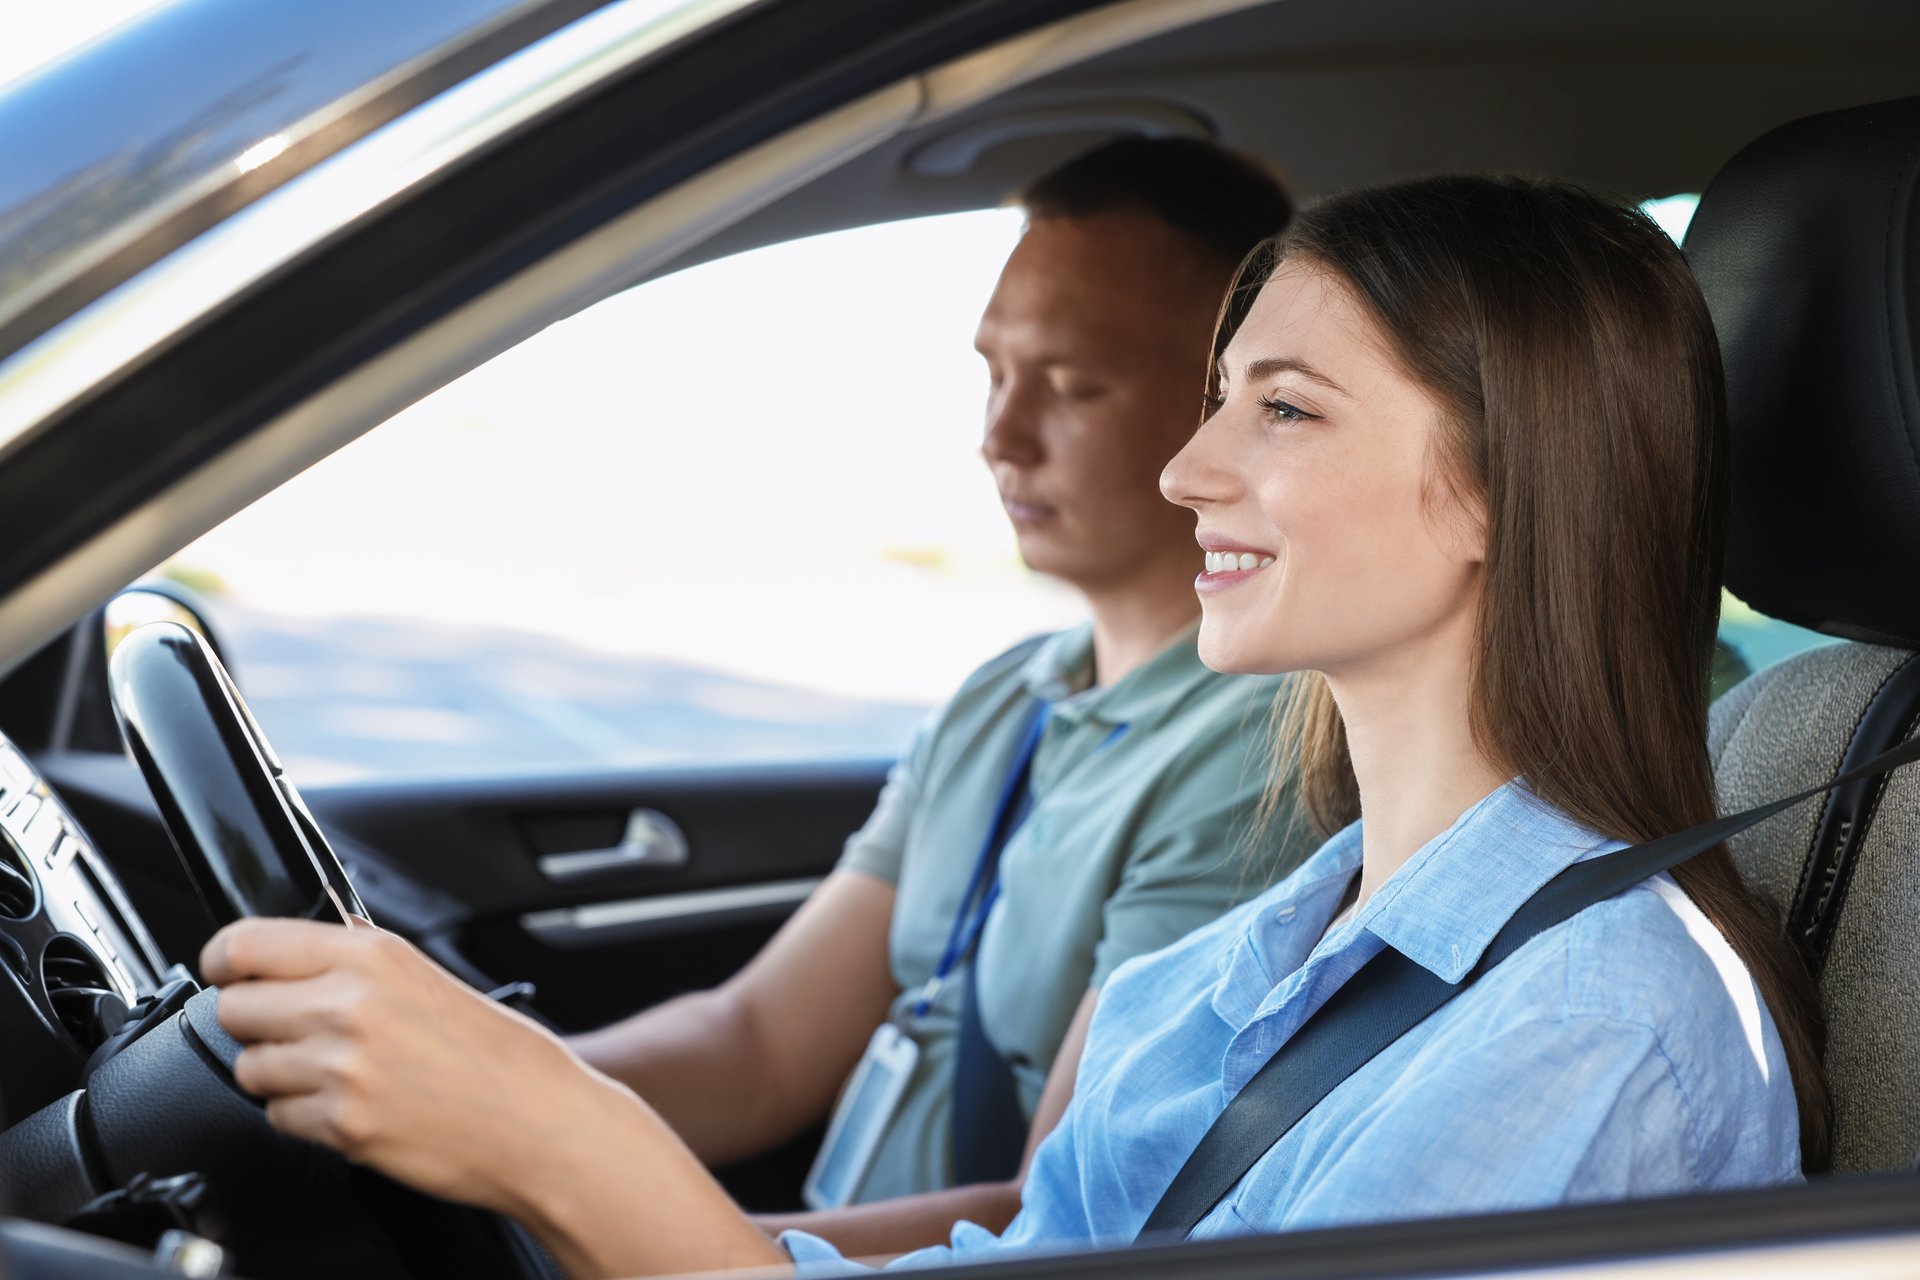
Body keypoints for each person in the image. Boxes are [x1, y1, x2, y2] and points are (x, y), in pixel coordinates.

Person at [198, 174, 1825, 1279]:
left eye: (1281, 410)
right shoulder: (1283, 939)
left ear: (1496, 487)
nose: (1192, 471)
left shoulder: (1597, 1027)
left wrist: (562, 1146)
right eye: (1214, 397)